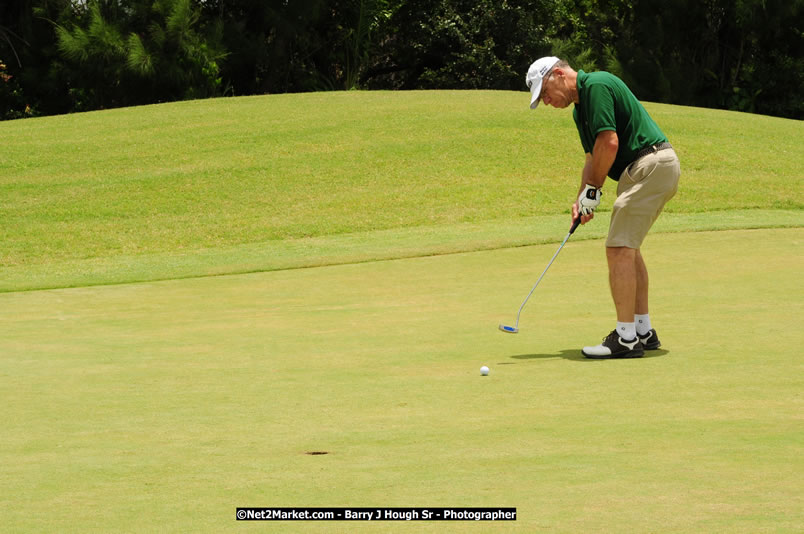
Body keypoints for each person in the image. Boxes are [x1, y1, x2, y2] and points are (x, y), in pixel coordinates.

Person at [525, 56, 681, 359]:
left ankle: (626, 338)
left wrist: (594, 190)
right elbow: (592, 157)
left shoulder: (595, 85)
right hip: (646, 169)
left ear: (558, 74)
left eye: (544, 92)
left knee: (618, 248)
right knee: (629, 249)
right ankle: (642, 331)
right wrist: (581, 199)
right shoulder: (580, 110)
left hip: (650, 165)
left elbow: (609, 143)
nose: (546, 101)